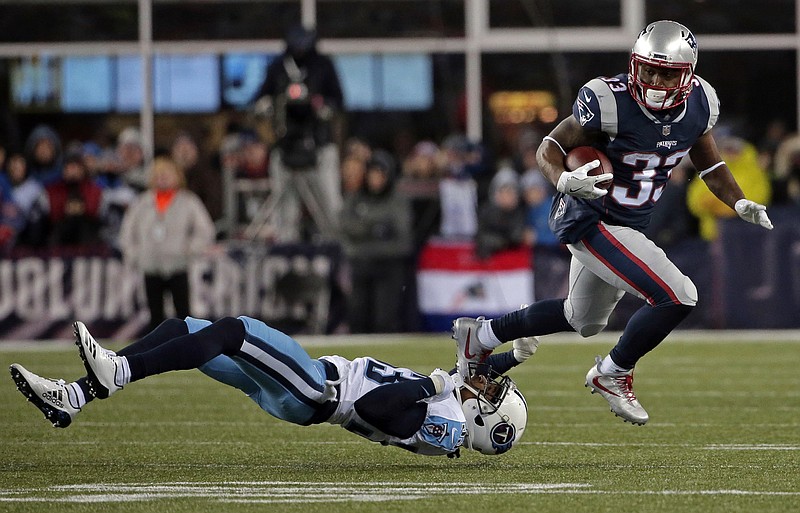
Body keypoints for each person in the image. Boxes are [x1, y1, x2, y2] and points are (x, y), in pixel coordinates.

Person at [451, 20, 774, 426]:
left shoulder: (700, 104)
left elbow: (710, 163)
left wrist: (739, 199)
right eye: (648, 69)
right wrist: (563, 179)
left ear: (687, 75)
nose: (654, 81)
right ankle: (613, 372)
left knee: (582, 319)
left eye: (666, 73)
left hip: (628, 224)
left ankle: (481, 337)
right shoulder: (609, 100)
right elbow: (550, 146)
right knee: (678, 295)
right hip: (593, 218)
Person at [10, 317, 539, 457]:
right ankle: (75, 397)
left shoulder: (445, 430)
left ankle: (117, 373)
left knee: (234, 332)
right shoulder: (453, 406)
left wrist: (435, 379)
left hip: (316, 391)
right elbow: (479, 371)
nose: (484, 390)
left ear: (485, 425)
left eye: (490, 401)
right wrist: (513, 353)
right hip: (308, 387)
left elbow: (380, 407)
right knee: (188, 330)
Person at [252, 24, 344, 242]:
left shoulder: (323, 66)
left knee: (329, 204)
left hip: (318, 145)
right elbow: (259, 100)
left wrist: (320, 107)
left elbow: (338, 102)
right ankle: (285, 253)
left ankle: (335, 246)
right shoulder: (278, 67)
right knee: (285, 209)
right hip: (285, 146)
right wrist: (271, 106)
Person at [119, 156, 216, 333]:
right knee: (154, 315)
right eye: (158, 174)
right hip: (150, 266)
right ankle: (155, 352)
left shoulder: (188, 201)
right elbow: (127, 232)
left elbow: (205, 230)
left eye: (166, 174)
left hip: (178, 265)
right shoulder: (142, 202)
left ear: (177, 176)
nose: (162, 178)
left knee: (184, 313)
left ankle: (187, 348)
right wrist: (136, 255)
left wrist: (190, 250)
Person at [339, 150, 413, 333]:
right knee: (357, 316)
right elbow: (346, 227)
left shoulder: (397, 199)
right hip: (361, 265)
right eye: (372, 174)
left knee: (385, 319)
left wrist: (365, 229)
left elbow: (402, 237)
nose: (376, 179)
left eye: (380, 174)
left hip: (389, 266)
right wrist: (377, 227)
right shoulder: (356, 198)